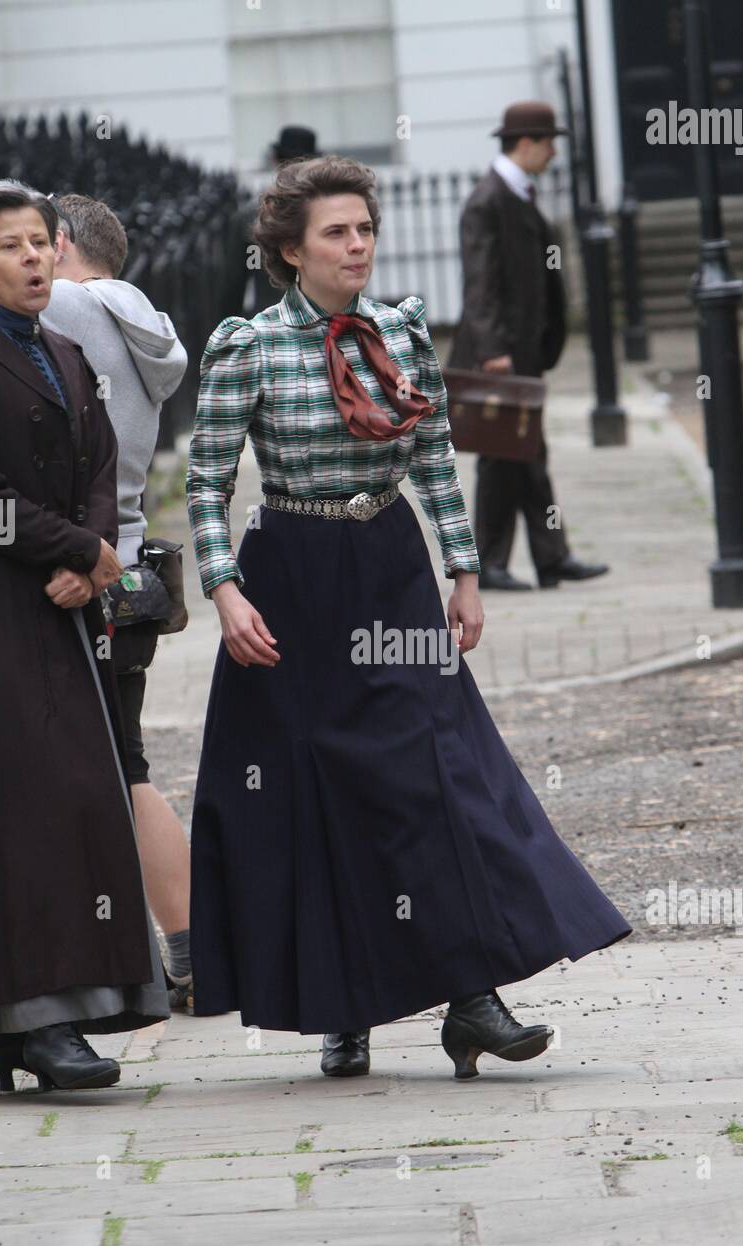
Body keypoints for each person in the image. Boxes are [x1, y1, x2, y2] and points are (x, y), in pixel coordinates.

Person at [186, 154, 632, 1082]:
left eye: (365, 229)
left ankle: (473, 997)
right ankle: (340, 1006)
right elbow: (205, 483)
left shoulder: (402, 332)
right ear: (288, 250)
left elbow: (434, 458)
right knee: (318, 792)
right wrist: (225, 591)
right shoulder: (249, 347)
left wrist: (464, 570)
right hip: (292, 580)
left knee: (435, 774)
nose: (358, 247)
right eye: (336, 234)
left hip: (390, 569)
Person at [0, 179, 169, 1092]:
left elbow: (101, 456)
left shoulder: (60, 346)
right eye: (11, 246)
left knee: (85, 794)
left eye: (42, 243)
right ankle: (39, 1020)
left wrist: (93, 554)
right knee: (30, 808)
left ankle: (52, 1017)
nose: (35, 258)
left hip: (68, 605)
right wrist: (75, 546)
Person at [40, 193, 194, 1012]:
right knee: (126, 765)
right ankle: (195, 947)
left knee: (100, 771)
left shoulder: (67, 306)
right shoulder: (143, 324)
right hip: (132, 567)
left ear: (58, 244)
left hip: (77, 568)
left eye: (31, 242)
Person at [449, 100, 610, 592]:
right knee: (505, 457)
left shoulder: (516, 195)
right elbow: (480, 285)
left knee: (528, 457)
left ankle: (550, 556)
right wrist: (494, 349)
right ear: (525, 143)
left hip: (521, 352)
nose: (554, 152)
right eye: (549, 142)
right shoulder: (487, 202)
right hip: (500, 356)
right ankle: (489, 565)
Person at [243, 126, 321, 317]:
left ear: (275, 161)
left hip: (269, 325)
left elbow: (234, 283)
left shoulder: (250, 216)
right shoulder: (331, 214)